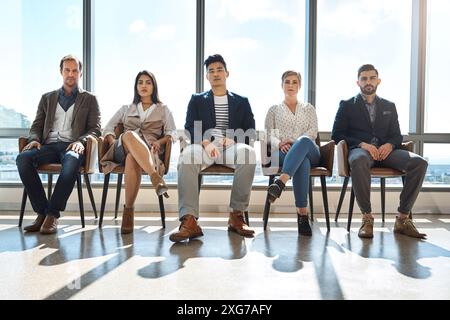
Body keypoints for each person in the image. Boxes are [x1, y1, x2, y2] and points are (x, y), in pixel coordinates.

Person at [331, 64, 428, 239]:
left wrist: (390, 145)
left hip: (387, 153)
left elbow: (396, 135)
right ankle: (367, 218)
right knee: (358, 160)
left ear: (378, 81)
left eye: (372, 78)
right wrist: (362, 144)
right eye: (364, 78)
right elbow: (337, 135)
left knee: (420, 163)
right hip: (361, 152)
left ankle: (402, 219)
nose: (368, 82)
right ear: (358, 82)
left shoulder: (389, 106)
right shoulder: (346, 105)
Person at [169, 54, 256, 242]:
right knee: (187, 157)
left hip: (231, 147)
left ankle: (236, 215)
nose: (215, 74)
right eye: (211, 71)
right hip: (204, 146)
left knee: (248, 154)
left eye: (219, 70)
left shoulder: (242, 101)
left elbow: (251, 131)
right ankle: (189, 221)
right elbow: (190, 127)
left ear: (227, 73)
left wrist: (233, 139)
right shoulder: (197, 99)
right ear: (206, 77)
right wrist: (206, 143)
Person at [16, 55, 101, 234]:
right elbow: (37, 125)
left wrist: (81, 141)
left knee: (71, 161)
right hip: (48, 146)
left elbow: (95, 129)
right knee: (23, 159)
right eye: (67, 70)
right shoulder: (47, 98)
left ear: (80, 73)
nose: (71, 74)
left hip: (72, 145)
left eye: (75, 70)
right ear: (61, 72)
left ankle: (52, 214)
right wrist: (34, 140)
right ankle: (42, 212)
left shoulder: (90, 99)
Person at [100, 70, 176, 234]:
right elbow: (107, 128)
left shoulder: (164, 109)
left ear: (154, 86)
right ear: (136, 86)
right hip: (121, 149)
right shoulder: (126, 108)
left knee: (132, 159)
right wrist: (114, 142)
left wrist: (159, 141)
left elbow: (172, 134)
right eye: (140, 82)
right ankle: (154, 177)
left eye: (148, 82)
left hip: (148, 152)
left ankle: (128, 211)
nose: (143, 86)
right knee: (128, 135)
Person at [265, 70, 320, 236]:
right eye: (287, 82)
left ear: (299, 85)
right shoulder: (274, 110)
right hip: (283, 152)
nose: (291, 85)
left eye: (294, 82)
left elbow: (313, 131)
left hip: (310, 150)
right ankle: (302, 214)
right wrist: (280, 143)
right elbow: (268, 134)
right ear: (282, 85)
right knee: (302, 162)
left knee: (303, 142)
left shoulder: (308, 108)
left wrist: (294, 142)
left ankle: (281, 181)